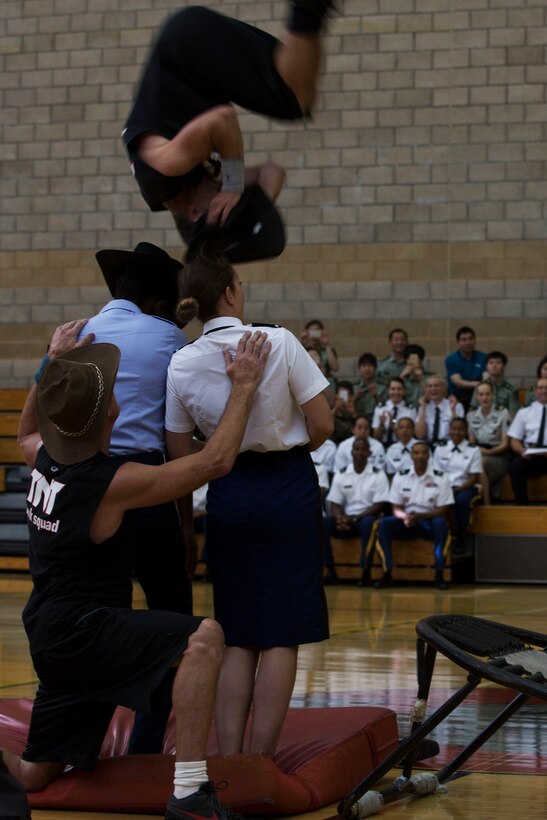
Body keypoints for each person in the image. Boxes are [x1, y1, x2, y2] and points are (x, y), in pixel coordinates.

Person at [6, 325, 271, 820]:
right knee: (204, 637)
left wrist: (50, 362)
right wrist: (244, 387)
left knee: (30, 775)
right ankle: (190, 792)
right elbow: (214, 462)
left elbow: (23, 430)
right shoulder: (111, 483)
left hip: (51, 634)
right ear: (112, 412)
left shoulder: (40, 456)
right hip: (87, 633)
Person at [164, 253, 332, 758]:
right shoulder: (277, 340)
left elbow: (177, 452)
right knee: (282, 633)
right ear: (231, 294)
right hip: (286, 484)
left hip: (226, 487)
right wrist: (282, 444)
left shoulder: (182, 360)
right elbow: (323, 424)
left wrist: (225, 451)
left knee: (237, 631)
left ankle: (230, 758)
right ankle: (260, 764)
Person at [122, 3, 335, 260]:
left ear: (195, 212)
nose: (223, 190)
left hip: (188, 50)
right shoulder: (190, 184)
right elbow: (271, 172)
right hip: (190, 48)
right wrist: (247, 214)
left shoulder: (164, 173)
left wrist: (233, 187)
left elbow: (222, 120)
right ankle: (311, 11)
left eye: (221, 208)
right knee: (295, 88)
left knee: (291, 100)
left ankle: (307, 10)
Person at [375, 441, 454, 590]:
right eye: (416, 453)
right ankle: (387, 572)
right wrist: (405, 516)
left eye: (424, 453)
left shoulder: (441, 477)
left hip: (429, 522)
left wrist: (420, 516)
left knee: (441, 524)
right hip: (408, 521)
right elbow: (396, 508)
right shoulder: (401, 475)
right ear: (411, 455)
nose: (420, 456)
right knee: (383, 524)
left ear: (429, 456)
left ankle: (439, 575)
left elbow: (443, 510)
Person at [323, 437, 389, 587]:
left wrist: (354, 518)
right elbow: (334, 503)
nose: (360, 452)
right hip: (346, 520)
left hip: (366, 519)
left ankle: (365, 573)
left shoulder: (378, 474)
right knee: (324, 523)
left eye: (363, 449)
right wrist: (339, 518)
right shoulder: (342, 473)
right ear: (351, 452)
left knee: (368, 524)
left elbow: (379, 505)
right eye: (356, 449)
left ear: (369, 453)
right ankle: (331, 571)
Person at [432, 418, 482, 553]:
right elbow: (436, 473)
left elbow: (474, 477)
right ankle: (436, 537)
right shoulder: (440, 448)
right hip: (444, 486)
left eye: (460, 429)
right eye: (453, 429)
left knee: (460, 501)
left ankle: (461, 536)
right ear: (449, 431)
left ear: (466, 432)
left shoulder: (473, 449)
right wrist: (445, 490)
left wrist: (458, 489)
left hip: (465, 486)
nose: (456, 432)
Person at [467, 381, 511, 504]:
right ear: (476, 396)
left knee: (479, 464)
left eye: (487, 394)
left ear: (493, 395)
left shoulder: (503, 413)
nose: (484, 398)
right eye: (481, 394)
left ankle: (486, 504)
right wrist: (479, 452)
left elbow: (505, 444)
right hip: (479, 453)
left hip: (499, 455)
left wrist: (488, 452)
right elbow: (472, 443)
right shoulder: (471, 415)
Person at [507, 377, 547, 504]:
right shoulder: (524, 412)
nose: (544, 390)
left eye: (546, 387)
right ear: (535, 391)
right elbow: (514, 439)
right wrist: (521, 450)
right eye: (540, 387)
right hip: (531, 455)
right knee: (515, 467)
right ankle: (522, 506)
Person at [444, 326, 487, 411]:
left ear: (475, 340)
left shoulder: (483, 357)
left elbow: (486, 379)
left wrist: (483, 385)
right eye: (464, 340)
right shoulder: (451, 359)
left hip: (477, 396)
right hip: (457, 396)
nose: (468, 342)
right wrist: (479, 384)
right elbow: (458, 382)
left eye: (471, 339)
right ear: (458, 342)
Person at [415, 375, 464, 446]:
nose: (433, 389)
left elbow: (458, 432)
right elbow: (420, 435)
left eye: (436, 386)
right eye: (430, 386)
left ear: (444, 388)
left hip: (448, 445)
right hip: (428, 447)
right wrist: (423, 408)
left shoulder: (455, 406)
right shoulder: (424, 407)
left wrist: (453, 410)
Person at [469, 351, 520, 417]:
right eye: (491, 363)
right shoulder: (480, 387)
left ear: (504, 366)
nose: (494, 366)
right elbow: (473, 411)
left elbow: (514, 413)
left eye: (498, 363)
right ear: (486, 366)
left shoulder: (511, 388)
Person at [372, 377, 416, 447]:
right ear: (388, 391)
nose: (396, 392)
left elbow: (410, 436)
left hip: (403, 446)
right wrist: (381, 425)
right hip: (383, 446)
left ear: (404, 391)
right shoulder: (380, 408)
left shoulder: (410, 409)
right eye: (393, 389)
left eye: (399, 389)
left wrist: (393, 424)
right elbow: (376, 437)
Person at [300, 319, 339, 389]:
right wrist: (301, 342)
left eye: (316, 331)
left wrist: (327, 345)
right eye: (311, 331)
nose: (314, 333)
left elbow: (335, 368)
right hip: (310, 384)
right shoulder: (303, 349)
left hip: (328, 383)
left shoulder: (328, 349)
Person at [353, 352, 387, 423]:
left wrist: (376, 397)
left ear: (375, 368)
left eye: (370, 366)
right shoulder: (354, 386)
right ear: (359, 369)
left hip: (377, 420)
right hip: (357, 420)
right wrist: (355, 398)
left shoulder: (383, 386)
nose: (367, 369)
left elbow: (387, 407)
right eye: (364, 366)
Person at [399, 343, 431, 408]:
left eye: (415, 358)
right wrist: (402, 376)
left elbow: (432, 398)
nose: (412, 361)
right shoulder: (403, 378)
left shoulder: (430, 378)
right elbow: (393, 396)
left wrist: (421, 380)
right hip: (406, 412)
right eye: (409, 359)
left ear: (421, 360)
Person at [331, 380, 357, 444]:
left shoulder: (357, 411)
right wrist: (335, 409)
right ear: (336, 395)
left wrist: (354, 414)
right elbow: (324, 424)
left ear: (351, 396)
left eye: (345, 394)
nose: (342, 397)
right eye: (341, 394)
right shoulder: (330, 411)